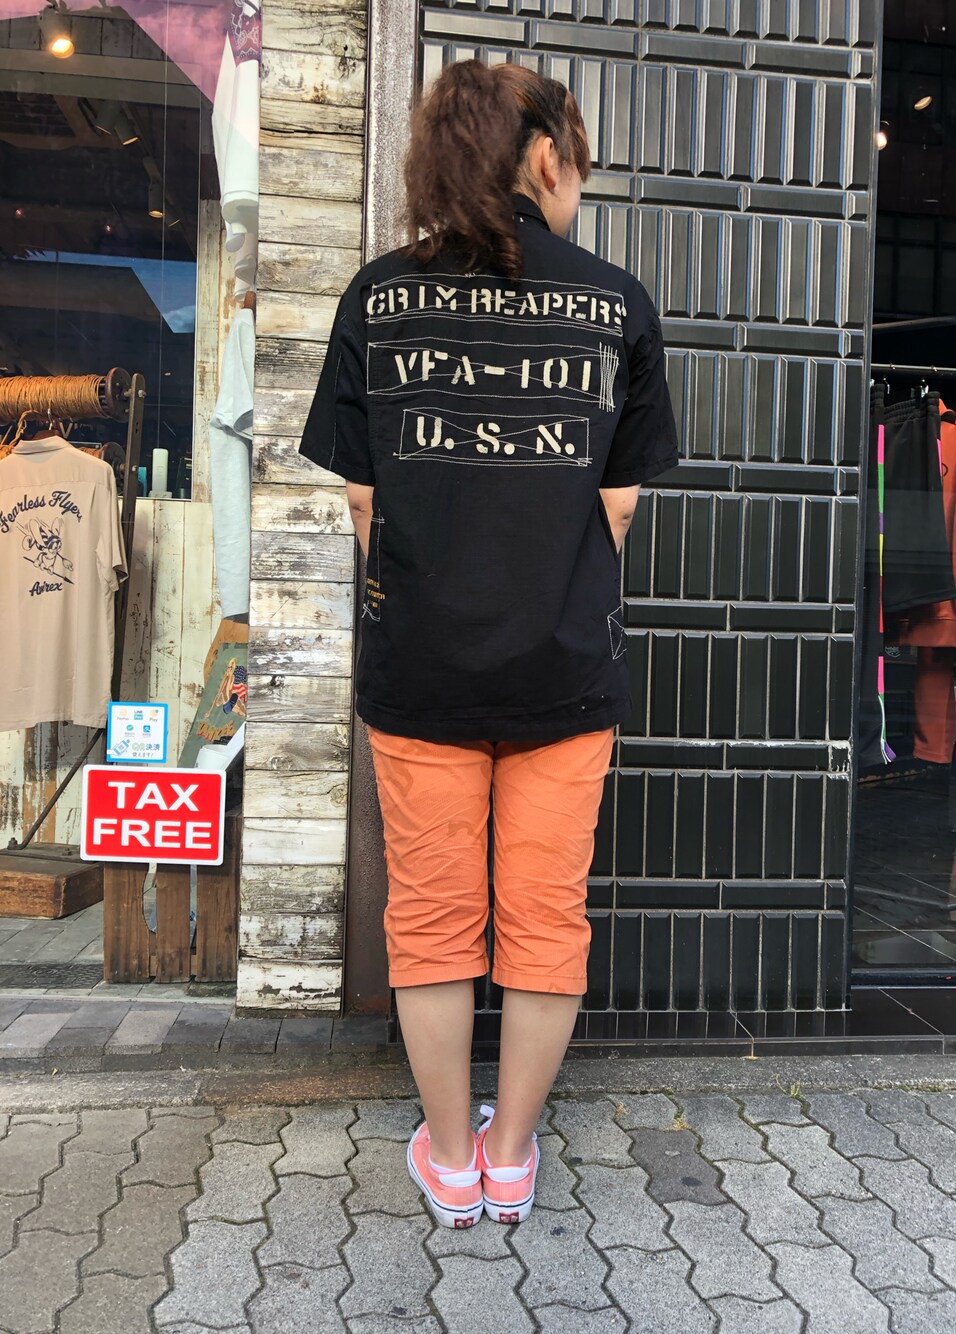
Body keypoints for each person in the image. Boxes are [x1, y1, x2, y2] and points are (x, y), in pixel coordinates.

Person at [300, 58, 679, 1229]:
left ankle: (451, 1155)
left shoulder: (378, 297)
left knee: (430, 916)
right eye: (578, 162)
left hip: (420, 665)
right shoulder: (616, 303)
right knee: (544, 917)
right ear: (546, 155)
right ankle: (512, 1156)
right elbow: (618, 506)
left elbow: (362, 499)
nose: (578, 185)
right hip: (564, 663)